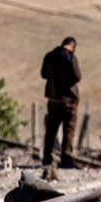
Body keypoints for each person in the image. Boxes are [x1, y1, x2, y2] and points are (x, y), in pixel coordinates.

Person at [40, 36, 82, 168]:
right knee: (68, 130)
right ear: (73, 46)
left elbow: (44, 74)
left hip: (53, 100)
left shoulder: (50, 56)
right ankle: (66, 159)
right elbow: (77, 76)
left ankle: (47, 158)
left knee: (51, 129)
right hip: (69, 101)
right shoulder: (71, 57)